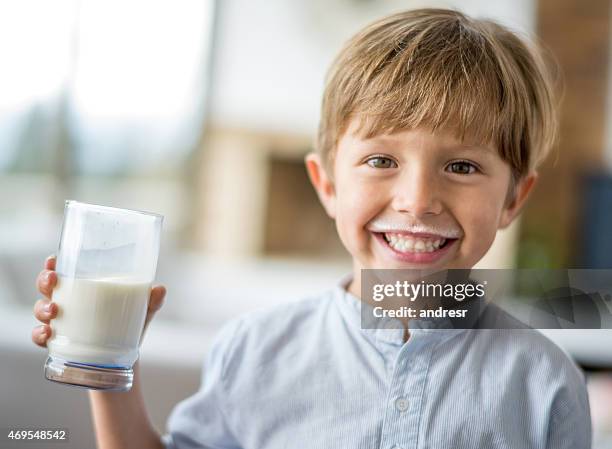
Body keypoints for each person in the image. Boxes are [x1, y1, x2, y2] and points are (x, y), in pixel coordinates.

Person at [31, 8, 591, 449]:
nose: (418, 200)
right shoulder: (254, 351)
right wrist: (107, 361)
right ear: (326, 184)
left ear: (515, 196)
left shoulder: (543, 382)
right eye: (380, 161)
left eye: (462, 167)